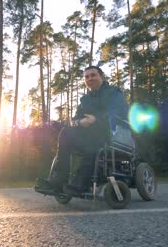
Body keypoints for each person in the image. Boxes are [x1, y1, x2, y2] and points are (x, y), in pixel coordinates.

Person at [35, 65, 129, 195]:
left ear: (101, 77)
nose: (90, 78)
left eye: (93, 75)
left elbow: (120, 111)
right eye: (87, 77)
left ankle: (81, 184)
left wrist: (96, 119)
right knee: (65, 133)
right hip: (87, 134)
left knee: (93, 140)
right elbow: (75, 119)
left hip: (109, 134)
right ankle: (58, 181)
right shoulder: (85, 100)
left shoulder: (114, 92)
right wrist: (80, 122)